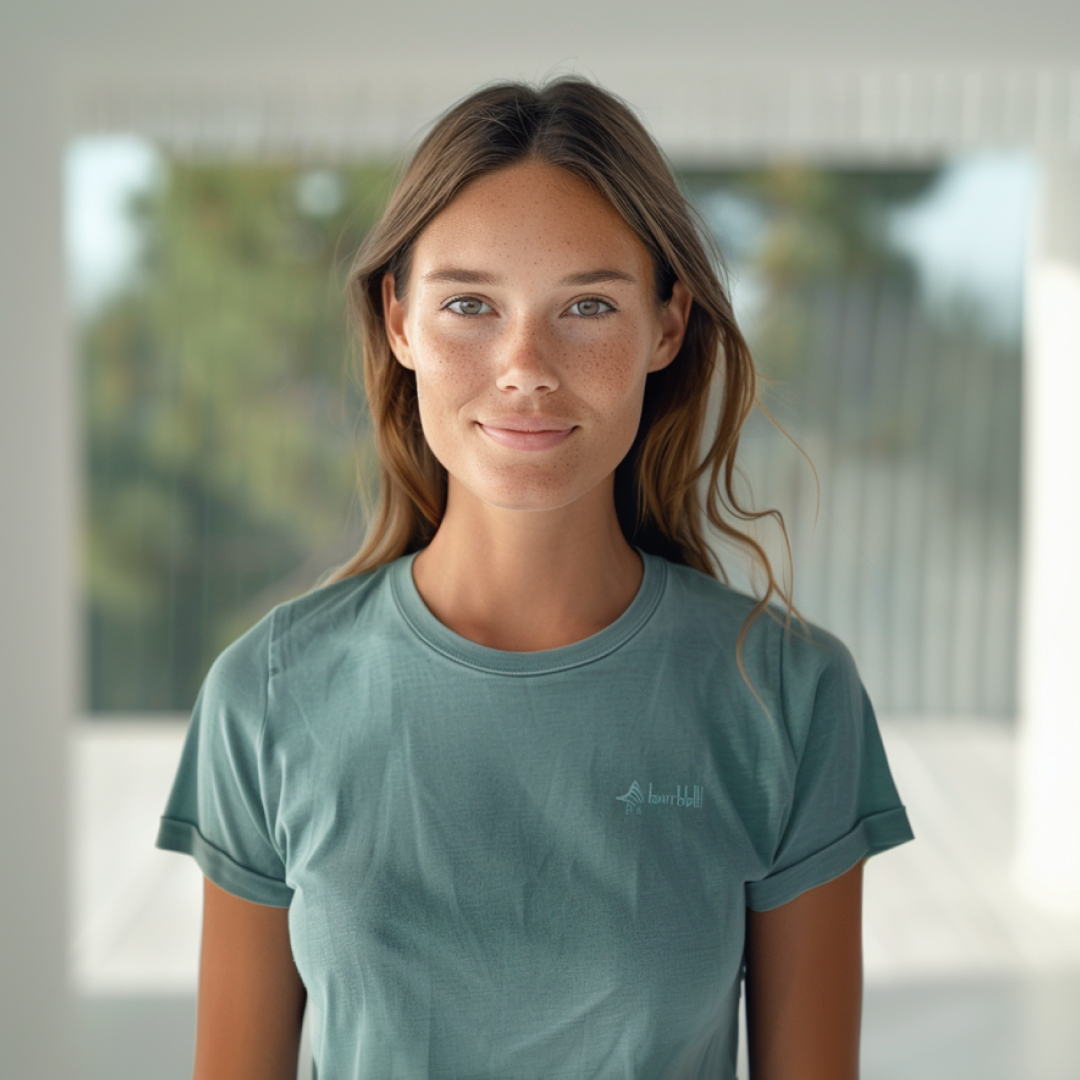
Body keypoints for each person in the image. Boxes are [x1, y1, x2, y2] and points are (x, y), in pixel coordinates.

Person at [157, 78, 914, 1080]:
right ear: (399, 321)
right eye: (469, 303)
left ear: (667, 326)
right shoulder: (266, 694)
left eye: (588, 305)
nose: (524, 364)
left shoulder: (787, 695)